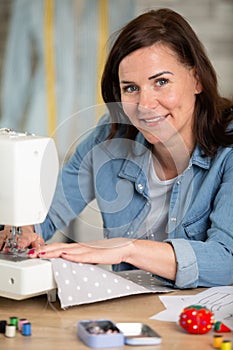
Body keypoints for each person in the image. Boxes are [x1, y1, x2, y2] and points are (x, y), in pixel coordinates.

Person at [1, 8, 233, 289]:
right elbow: (46, 212)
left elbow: (226, 260)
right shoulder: (106, 142)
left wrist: (125, 248)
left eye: (161, 82)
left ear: (196, 79)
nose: (145, 105)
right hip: (131, 314)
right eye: (131, 88)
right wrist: (24, 230)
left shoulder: (228, 151)